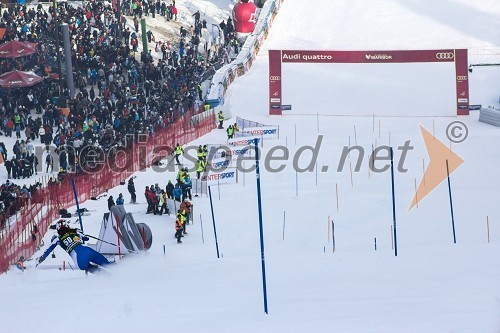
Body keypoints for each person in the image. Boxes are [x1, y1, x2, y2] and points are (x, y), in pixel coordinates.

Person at [37, 220, 110, 273]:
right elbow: (86, 238)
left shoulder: (57, 239)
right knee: (107, 264)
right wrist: (80, 233)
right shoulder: (74, 231)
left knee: (85, 267)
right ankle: (119, 271)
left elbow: (49, 250)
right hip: (88, 250)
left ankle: (105, 276)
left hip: (78, 257)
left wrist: (41, 258)